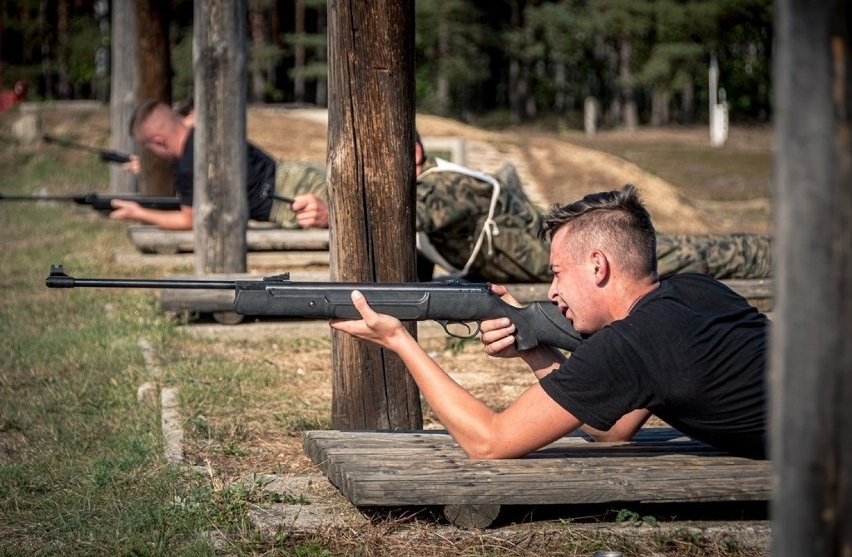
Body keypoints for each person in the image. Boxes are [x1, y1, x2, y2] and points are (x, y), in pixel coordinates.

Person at [331, 184, 769, 460]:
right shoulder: (696, 290)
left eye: (558, 272)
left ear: (598, 266)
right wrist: (533, 346)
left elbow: (488, 442)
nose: (553, 291)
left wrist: (400, 341)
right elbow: (613, 430)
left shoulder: (632, 343)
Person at [293, 135, 773, 283]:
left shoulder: (445, 186)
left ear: (414, 156)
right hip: (554, 263)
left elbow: (412, 216)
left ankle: (776, 257)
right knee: (688, 254)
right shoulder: (428, 187)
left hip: (578, 258)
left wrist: (335, 214)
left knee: (697, 256)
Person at [109, 100, 327, 230]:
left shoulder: (186, 166)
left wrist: (139, 213)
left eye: (149, 149)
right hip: (298, 172)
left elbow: (190, 220)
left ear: (158, 141)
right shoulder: (208, 130)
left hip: (292, 200)